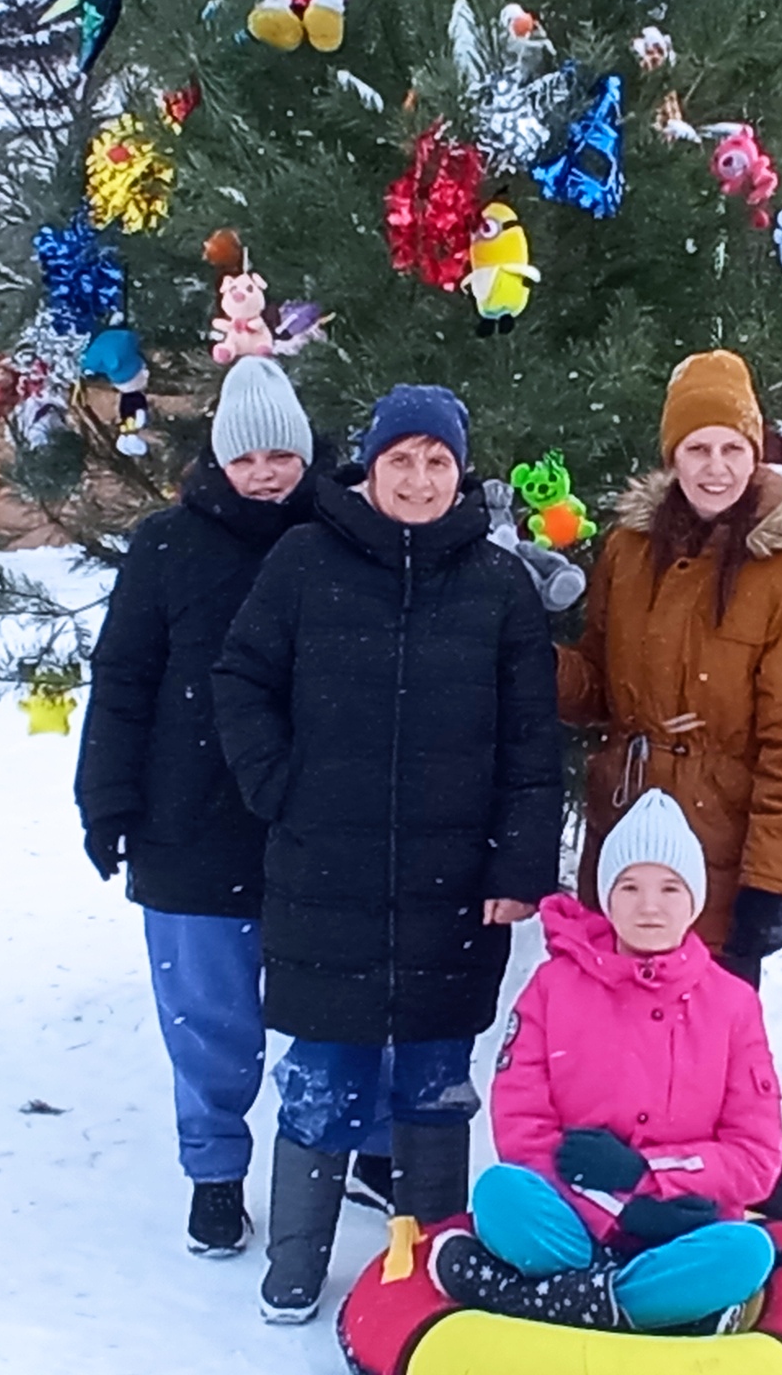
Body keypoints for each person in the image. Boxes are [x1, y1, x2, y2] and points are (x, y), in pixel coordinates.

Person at [214, 383, 566, 1323]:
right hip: (324, 872)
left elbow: (533, 741)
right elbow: (241, 679)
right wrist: (279, 786)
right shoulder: (304, 562)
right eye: (401, 460)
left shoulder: (497, 585)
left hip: (454, 886)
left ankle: (430, 1262)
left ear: (461, 472)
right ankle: (296, 1262)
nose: (418, 479)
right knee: (322, 1077)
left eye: (437, 462)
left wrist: (517, 864)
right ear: (370, 468)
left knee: (435, 1083)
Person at [78, 357, 376, 1259]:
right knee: (210, 1020)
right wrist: (107, 799)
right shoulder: (168, 546)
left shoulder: (346, 534)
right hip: (189, 821)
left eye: (282, 456)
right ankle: (214, 1174)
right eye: (247, 459)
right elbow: (123, 677)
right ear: (218, 460)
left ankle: (365, 1148)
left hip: (317, 818)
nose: (266, 474)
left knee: (342, 1004)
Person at [428, 791, 782, 1333]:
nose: (649, 907)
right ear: (607, 896)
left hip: (683, 1227)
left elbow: (756, 1157)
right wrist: (613, 1209)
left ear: (694, 900)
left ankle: (545, 1297)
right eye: (630, 887)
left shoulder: (733, 1004)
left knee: (747, 1253)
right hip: (570, 1216)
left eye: (669, 888)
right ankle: (641, 1307)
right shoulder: (553, 987)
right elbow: (522, 1128)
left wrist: (648, 1176)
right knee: (501, 1195)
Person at [553, 350, 782, 990]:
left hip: (719, 857)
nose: (716, 468)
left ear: (755, 454)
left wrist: (769, 884)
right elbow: (598, 685)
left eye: (733, 449)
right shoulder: (628, 552)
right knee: (611, 1031)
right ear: (672, 456)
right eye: (698, 449)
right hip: (623, 842)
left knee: (704, 1037)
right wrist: (538, 662)